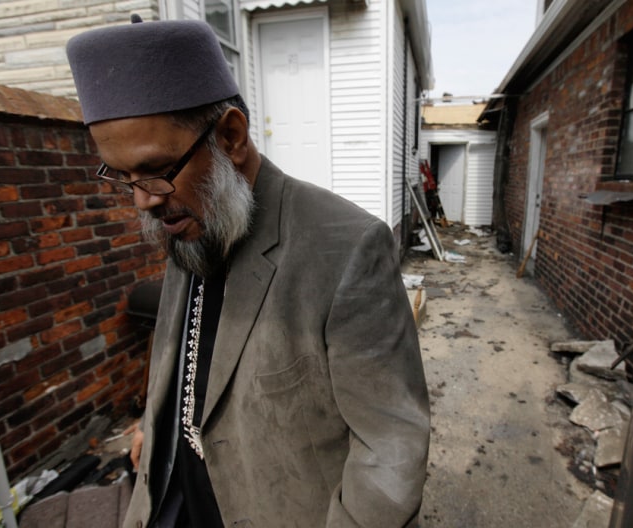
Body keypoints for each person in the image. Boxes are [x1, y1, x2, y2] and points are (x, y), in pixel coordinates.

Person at [66, 16, 430, 528]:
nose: (142, 200)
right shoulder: (186, 213)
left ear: (231, 137)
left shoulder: (347, 246)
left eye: (155, 171)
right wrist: (161, 421)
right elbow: (190, 356)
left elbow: (391, 446)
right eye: (122, 177)